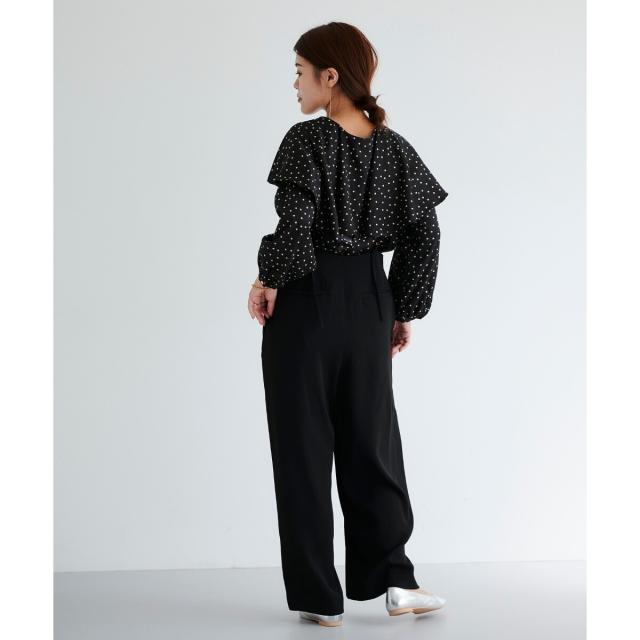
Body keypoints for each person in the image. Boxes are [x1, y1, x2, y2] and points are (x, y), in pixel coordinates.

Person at [247, 22, 449, 628]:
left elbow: (295, 227)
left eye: (300, 72)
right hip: (370, 302)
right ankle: (396, 580)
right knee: (372, 443)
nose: (295, 84)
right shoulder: (396, 148)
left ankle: (319, 596)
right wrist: (403, 307)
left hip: (307, 303)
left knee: (303, 447)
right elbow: (425, 233)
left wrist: (267, 279)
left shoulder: (306, 139)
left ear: (329, 76)